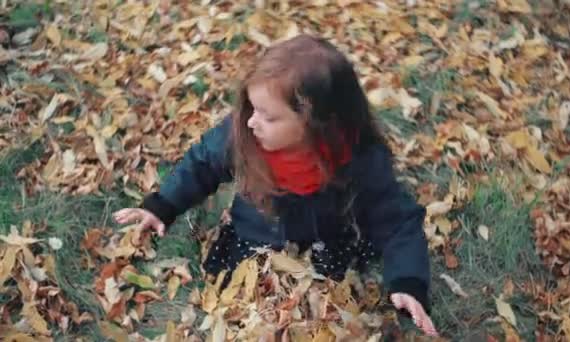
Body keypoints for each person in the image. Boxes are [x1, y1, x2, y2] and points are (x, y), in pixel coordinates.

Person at [113, 34, 437, 336]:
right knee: (258, 311)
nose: (253, 121)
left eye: (268, 116)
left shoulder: (359, 158)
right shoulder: (244, 134)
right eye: (252, 109)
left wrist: (408, 282)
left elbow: (396, 220)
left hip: (326, 245)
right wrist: (163, 205)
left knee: (321, 313)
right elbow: (201, 164)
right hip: (257, 241)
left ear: (317, 122)